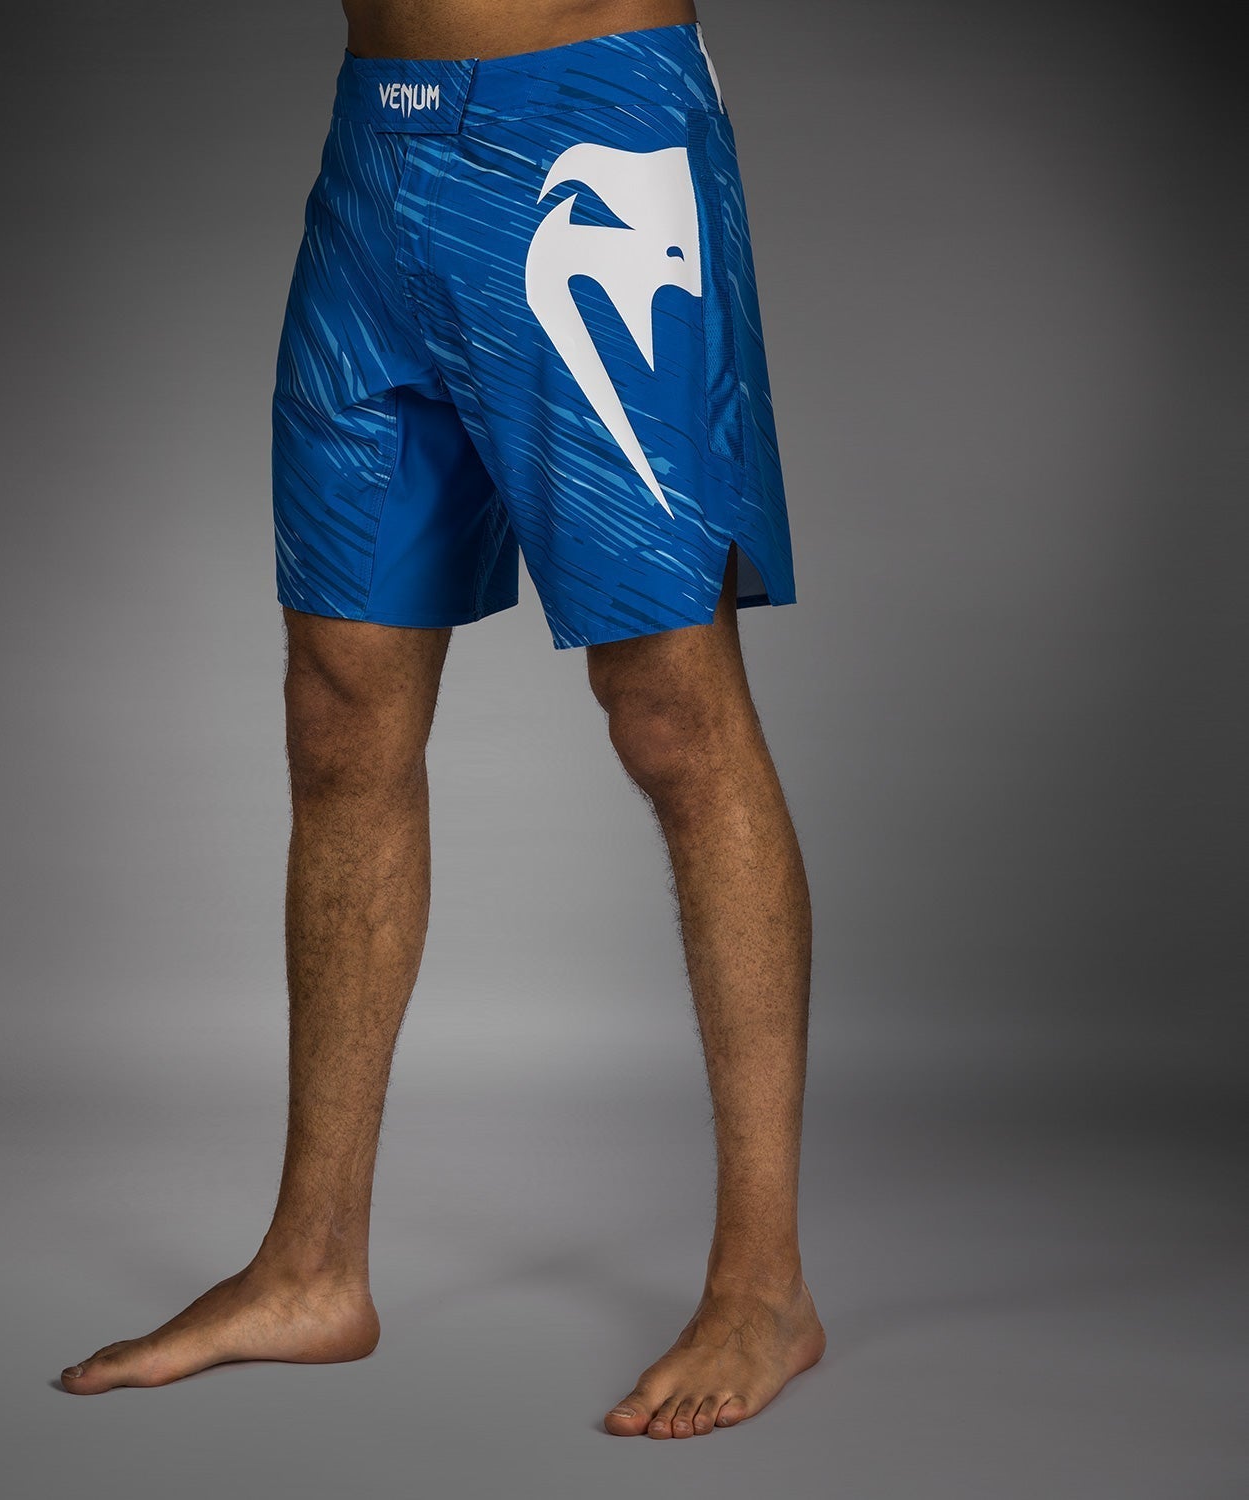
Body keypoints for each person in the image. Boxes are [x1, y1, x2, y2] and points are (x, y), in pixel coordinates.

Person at [60, 0, 823, 1439]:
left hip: (589, 133)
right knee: (340, 701)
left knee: (671, 704)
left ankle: (765, 1287)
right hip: (377, 150)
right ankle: (311, 1267)